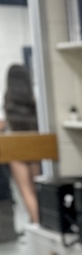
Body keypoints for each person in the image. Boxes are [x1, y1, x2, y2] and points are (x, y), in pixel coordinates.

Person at [2, 63, 40, 224]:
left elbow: (2, 125)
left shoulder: (7, 99)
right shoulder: (34, 96)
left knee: (26, 190)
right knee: (38, 188)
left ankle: (35, 222)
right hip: (36, 143)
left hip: (16, 145)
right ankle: (40, 223)